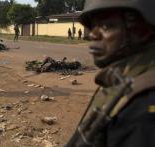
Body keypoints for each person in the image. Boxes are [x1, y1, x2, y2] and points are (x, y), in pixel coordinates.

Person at [66, 0, 155, 147]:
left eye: (106, 26)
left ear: (142, 31)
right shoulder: (124, 78)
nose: (92, 35)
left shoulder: (144, 108)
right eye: (93, 26)